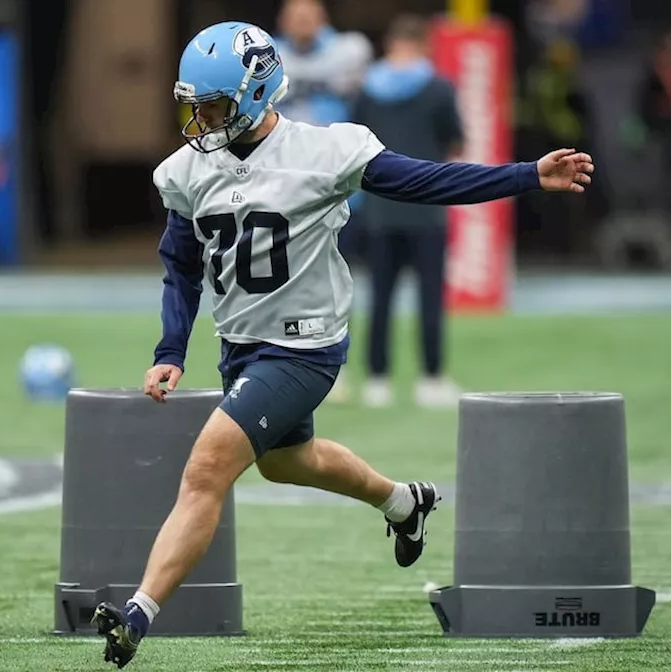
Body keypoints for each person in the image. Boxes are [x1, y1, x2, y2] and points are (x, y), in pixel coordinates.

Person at [92, 21, 595, 669]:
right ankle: (403, 501)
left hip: (303, 346)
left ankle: (138, 614)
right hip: (242, 345)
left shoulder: (325, 151)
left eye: (212, 106)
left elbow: (427, 181)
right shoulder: (188, 173)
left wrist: (526, 175)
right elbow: (182, 267)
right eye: (195, 106)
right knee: (285, 461)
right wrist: (170, 349)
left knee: (207, 468)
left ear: (253, 93)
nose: (200, 120)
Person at [344, 14, 465, 409]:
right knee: (430, 299)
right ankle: (431, 378)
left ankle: (378, 380)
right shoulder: (440, 89)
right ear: (424, 46)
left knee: (379, 298)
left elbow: (351, 143)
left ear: (390, 45)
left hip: (379, 211)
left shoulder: (367, 91)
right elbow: (456, 143)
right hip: (427, 211)